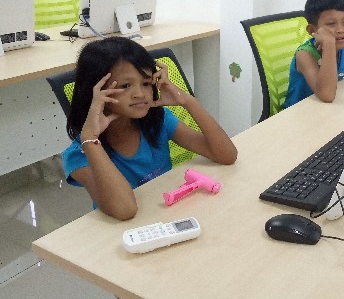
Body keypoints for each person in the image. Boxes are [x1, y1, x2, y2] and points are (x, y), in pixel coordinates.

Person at [62, 37, 237, 220]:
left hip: (168, 215)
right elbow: (125, 210)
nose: (140, 94)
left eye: (146, 83)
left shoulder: (158, 121)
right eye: (126, 86)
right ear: (94, 92)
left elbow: (227, 155)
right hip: (125, 233)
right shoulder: (80, 153)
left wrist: (187, 101)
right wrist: (89, 138)